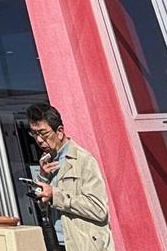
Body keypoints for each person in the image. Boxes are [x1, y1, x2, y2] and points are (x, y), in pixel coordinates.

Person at [27, 103, 116, 250]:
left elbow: (99, 209)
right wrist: (42, 177)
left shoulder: (83, 159)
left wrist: (55, 195)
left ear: (59, 131)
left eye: (43, 133)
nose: (39, 140)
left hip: (85, 245)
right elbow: (43, 206)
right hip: (58, 243)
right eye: (34, 134)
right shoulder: (47, 161)